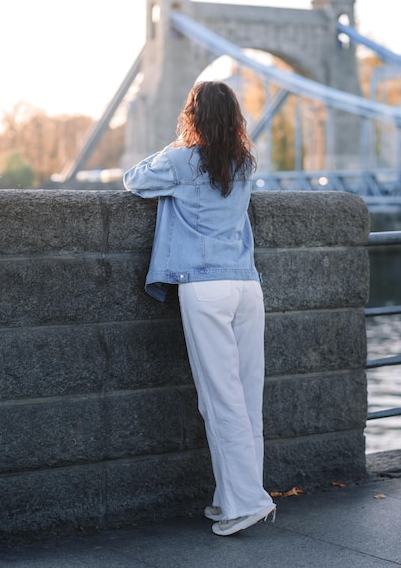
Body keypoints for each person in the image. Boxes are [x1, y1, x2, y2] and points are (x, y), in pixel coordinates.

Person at [123, 80, 276, 536]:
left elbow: (134, 180)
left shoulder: (179, 160)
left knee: (219, 398)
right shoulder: (245, 162)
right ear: (234, 118)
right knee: (248, 396)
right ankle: (235, 498)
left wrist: (177, 143)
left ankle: (246, 501)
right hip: (247, 287)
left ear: (193, 115)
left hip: (205, 287)